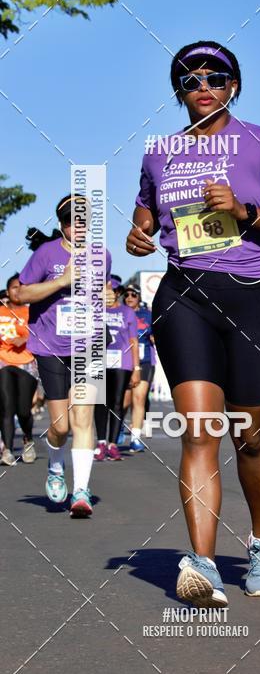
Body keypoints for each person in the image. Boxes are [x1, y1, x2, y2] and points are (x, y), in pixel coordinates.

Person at [126, 41, 260, 607]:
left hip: (254, 296)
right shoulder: (160, 153)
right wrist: (137, 236)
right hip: (185, 296)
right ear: (177, 91)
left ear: (234, 85)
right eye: (189, 79)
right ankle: (203, 563)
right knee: (200, 429)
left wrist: (244, 212)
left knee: (249, 435)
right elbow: (146, 213)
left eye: (215, 77)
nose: (202, 86)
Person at [18, 195, 112, 517]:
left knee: (82, 418)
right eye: (72, 221)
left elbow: (101, 294)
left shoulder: (102, 256)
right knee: (60, 426)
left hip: (86, 346)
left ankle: (82, 491)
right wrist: (61, 281)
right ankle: (56, 466)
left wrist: (107, 294)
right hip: (50, 346)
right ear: (62, 225)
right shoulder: (46, 254)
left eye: (84, 220)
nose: (79, 226)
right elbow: (21, 292)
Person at [94, 280, 140, 461]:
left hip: (122, 360)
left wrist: (136, 368)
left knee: (117, 402)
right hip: (99, 360)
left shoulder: (127, 311)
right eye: (104, 290)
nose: (108, 293)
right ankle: (100, 442)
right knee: (100, 401)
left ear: (117, 292)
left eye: (111, 290)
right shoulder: (95, 310)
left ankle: (113, 444)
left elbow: (133, 340)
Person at [0, 274, 39, 465]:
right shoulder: (0, 312)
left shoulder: (33, 313)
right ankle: (6, 450)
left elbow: (43, 338)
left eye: (20, 287)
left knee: (23, 410)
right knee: (7, 407)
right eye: (13, 287)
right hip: (3, 362)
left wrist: (26, 339)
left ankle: (28, 439)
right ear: (7, 292)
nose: (17, 291)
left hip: (27, 363)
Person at [121, 283, 154, 452]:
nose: (129, 298)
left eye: (133, 295)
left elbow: (155, 337)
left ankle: (135, 437)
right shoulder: (119, 313)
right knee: (124, 401)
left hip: (145, 361)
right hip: (124, 362)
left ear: (139, 297)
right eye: (126, 295)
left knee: (139, 398)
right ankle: (118, 426)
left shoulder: (147, 315)